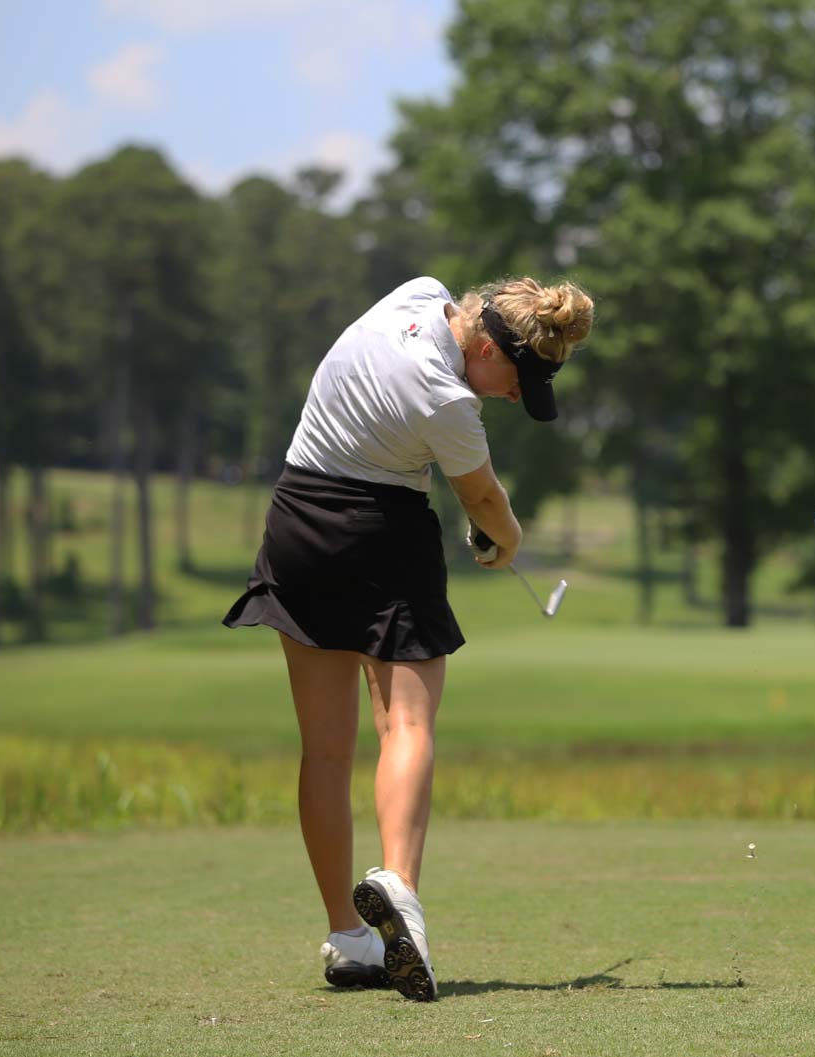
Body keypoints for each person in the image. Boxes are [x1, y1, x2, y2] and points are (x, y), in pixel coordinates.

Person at [223, 275, 594, 1000]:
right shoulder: (451, 402)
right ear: (486, 345)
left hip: (297, 519)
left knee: (326, 747)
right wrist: (507, 539)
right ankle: (401, 893)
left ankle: (349, 937)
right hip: (381, 531)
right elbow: (484, 500)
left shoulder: (418, 293)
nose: (516, 396)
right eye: (517, 378)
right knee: (409, 722)